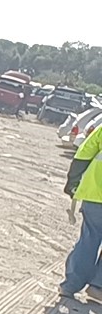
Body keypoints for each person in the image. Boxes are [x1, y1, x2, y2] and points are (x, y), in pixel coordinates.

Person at [61, 124, 102, 302]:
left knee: (88, 239)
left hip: (95, 194)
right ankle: (98, 286)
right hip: (94, 194)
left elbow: (84, 152)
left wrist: (73, 181)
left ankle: (70, 285)